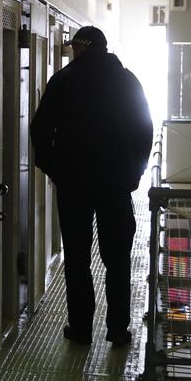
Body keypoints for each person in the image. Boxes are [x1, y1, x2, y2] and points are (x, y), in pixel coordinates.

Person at [30, 26, 153, 347]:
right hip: (115, 184)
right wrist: (133, 174)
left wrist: (55, 169)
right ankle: (117, 329)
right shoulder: (127, 81)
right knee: (117, 259)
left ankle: (81, 328)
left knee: (77, 257)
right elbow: (144, 130)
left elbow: (40, 131)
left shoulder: (63, 81)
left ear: (79, 48)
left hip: (73, 185)